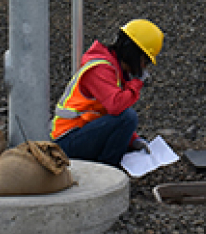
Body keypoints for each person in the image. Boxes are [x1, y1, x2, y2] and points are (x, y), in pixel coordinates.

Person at [50, 19, 163, 167]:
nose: (144, 67)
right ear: (134, 54)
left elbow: (105, 115)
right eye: (145, 61)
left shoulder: (114, 70)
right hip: (64, 143)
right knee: (128, 117)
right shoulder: (100, 69)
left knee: (126, 119)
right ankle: (108, 172)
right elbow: (115, 107)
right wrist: (136, 83)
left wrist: (134, 140)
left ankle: (107, 167)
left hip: (78, 134)